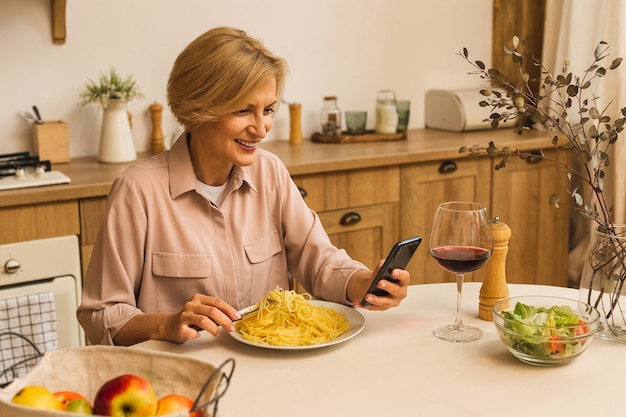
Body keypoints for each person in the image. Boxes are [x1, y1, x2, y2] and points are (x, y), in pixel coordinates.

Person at [77, 26, 410, 346]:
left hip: (269, 374)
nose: (261, 128)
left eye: (268, 110)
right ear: (198, 107)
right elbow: (100, 314)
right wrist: (167, 323)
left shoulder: (270, 173)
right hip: (184, 379)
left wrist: (364, 282)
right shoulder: (138, 191)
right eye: (243, 110)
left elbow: (320, 262)